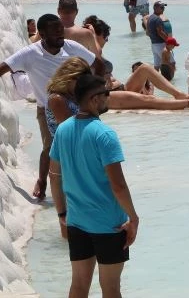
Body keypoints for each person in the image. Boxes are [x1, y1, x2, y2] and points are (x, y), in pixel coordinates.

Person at [0, 14, 104, 200]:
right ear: (42, 34)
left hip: (76, 105)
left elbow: (99, 65)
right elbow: (2, 68)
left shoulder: (71, 47)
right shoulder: (30, 53)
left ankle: (85, 187)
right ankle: (43, 181)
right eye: (55, 32)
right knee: (51, 147)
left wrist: (93, 93)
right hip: (46, 107)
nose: (61, 35)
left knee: (84, 144)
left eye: (61, 31)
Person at [48, 73, 139, 298]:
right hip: (109, 224)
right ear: (94, 99)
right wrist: (133, 218)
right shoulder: (105, 135)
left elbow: (54, 175)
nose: (109, 97)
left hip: (77, 221)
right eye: (106, 93)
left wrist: (62, 213)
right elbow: (118, 186)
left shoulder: (63, 130)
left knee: (79, 285)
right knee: (111, 288)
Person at [146, 2, 170, 69]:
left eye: (163, 8)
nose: (163, 9)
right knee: (170, 63)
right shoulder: (157, 19)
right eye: (161, 8)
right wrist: (169, 41)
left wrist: (154, 37)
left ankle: (154, 76)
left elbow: (147, 33)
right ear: (155, 8)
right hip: (161, 45)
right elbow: (160, 32)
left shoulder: (150, 18)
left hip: (154, 45)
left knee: (157, 65)